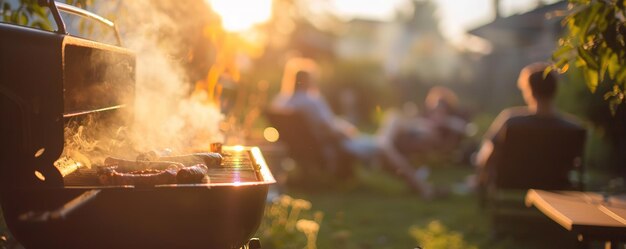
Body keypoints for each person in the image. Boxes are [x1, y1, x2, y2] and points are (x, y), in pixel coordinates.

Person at [274, 70, 439, 198]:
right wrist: (346, 131)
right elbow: (327, 129)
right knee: (384, 146)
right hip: (337, 144)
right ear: (309, 80)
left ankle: (414, 180)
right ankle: (421, 187)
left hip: (318, 146)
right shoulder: (311, 101)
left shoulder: (282, 101)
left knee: (383, 144)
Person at [474, 62, 585, 187]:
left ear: (529, 92)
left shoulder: (511, 121)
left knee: (487, 147)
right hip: (555, 183)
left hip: (511, 181)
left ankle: (476, 184)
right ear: (555, 90)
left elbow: (489, 154)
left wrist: (481, 175)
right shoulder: (574, 128)